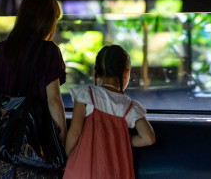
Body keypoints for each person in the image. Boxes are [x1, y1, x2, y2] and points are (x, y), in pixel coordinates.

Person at [0, 0, 66, 178]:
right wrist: (61, 145)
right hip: (35, 156)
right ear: (48, 20)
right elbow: (54, 102)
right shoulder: (49, 52)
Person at [63, 45, 156, 179]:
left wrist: (68, 157)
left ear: (97, 72)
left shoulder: (87, 95)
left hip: (83, 169)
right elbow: (148, 138)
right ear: (126, 72)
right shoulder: (129, 107)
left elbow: (75, 131)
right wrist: (123, 138)